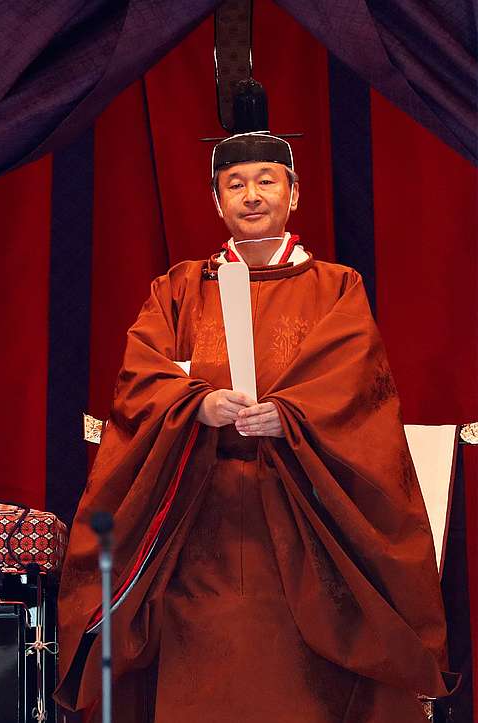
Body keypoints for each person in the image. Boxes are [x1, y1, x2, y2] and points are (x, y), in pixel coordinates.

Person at [55, 131, 455, 722]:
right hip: (202, 513)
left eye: (267, 180)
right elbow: (140, 376)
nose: (251, 195)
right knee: (200, 667)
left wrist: (291, 416)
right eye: (234, 184)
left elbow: (356, 387)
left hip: (302, 513)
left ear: (294, 192)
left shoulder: (335, 288)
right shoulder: (180, 289)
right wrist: (195, 403)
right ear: (217, 202)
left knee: (303, 670)